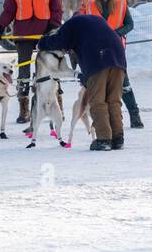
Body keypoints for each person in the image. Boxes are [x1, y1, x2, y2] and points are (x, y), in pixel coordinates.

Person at [0, 0, 63, 124]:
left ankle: (57, 105)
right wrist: (0, 26)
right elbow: (9, 9)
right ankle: (24, 109)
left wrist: (53, 26)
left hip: (45, 32)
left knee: (50, 68)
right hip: (23, 32)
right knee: (23, 70)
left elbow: (56, 7)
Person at [38, 12, 128, 150]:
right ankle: (117, 138)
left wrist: (42, 42)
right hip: (119, 58)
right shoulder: (98, 19)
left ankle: (104, 140)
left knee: (98, 101)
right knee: (113, 100)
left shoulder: (71, 24)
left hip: (98, 59)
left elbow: (59, 41)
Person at [80, 0, 144, 129]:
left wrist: (117, 33)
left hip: (116, 49)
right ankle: (104, 119)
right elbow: (85, 27)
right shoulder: (90, 6)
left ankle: (134, 115)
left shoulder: (121, 3)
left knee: (123, 83)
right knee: (101, 84)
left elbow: (130, 24)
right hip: (98, 50)